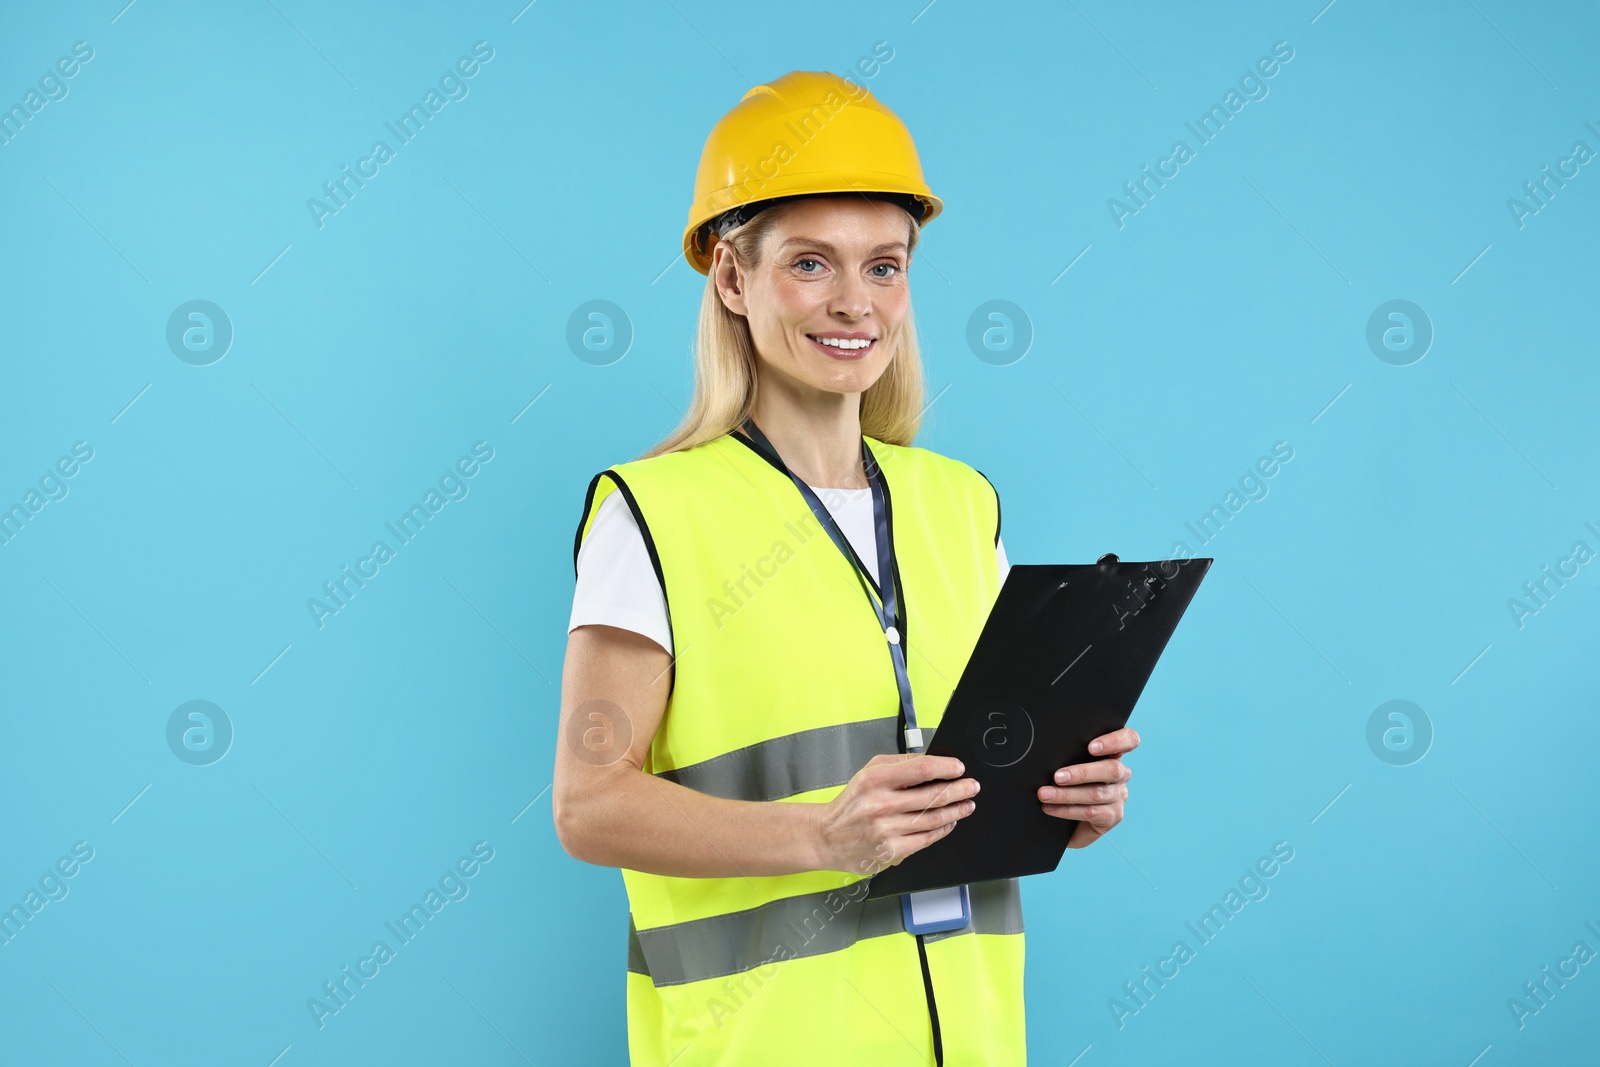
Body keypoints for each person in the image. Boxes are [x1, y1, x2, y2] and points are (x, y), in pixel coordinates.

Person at [556, 70, 1139, 1066]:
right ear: (732, 280)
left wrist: (1069, 804)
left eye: (884, 266)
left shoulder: (962, 505)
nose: (853, 302)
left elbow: (981, 777)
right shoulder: (652, 514)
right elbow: (588, 801)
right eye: (809, 263)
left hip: (971, 1038)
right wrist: (822, 836)